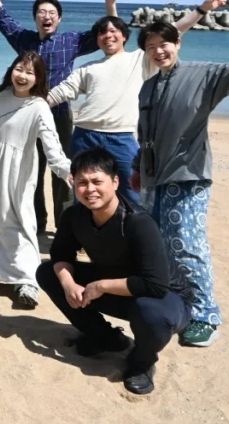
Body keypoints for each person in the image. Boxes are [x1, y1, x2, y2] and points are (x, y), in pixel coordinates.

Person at [131, 25, 229, 348]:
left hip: (188, 175)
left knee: (187, 245)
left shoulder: (202, 74)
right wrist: (136, 168)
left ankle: (206, 315)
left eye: (164, 43)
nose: (158, 51)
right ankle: (178, 301)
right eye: (151, 46)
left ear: (178, 43)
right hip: (152, 179)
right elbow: (144, 133)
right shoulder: (147, 87)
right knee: (159, 243)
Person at [47, 0, 229, 203]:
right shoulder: (87, 68)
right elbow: (61, 92)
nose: (108, 36)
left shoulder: (139, 59)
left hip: (121, 137)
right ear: (97, 40)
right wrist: (31, 104)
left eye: (114, 31)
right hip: (84, 135)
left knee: (132, 194)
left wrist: (202, 9)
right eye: (102, 33)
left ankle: (131, 226)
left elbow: (173, 31)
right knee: (84, 195)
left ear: (124, 36)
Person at [38, 148, 190, 396]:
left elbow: (156, 285)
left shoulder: (138, 222)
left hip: (165, 299)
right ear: (73, 183)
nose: (90, 189)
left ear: (115, 182)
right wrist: (68, 284)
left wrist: (101, 286)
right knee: (48, 273)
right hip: (117, 288)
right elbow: (60, 256)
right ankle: (106, 338)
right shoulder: (74, 216)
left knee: (150, 313)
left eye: (97, 181)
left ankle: (142, 362)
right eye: (82, 183)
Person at [0, 0, 120, 233]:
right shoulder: (25, 40)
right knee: (30, 168)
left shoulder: (71, 41)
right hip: (27, 113)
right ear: (35, 18)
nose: (47, 16)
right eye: (42, 13)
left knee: (63, 170)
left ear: (59, 18)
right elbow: (3, 19)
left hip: (59, 113)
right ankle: (35, 223)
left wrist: (110, 4)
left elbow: (109, 34)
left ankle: (65, 225)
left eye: (52, 13)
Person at [0, 51, 70, 309]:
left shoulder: (39, 106)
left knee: (17, 222)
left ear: (38, 78)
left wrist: (66, 171)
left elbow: (52, 146)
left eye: (30, 72)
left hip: (18, 172)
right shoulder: (0, 97)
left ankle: (28, 280)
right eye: (19, 69)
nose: (22, 76)